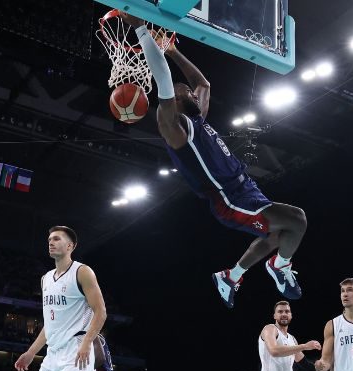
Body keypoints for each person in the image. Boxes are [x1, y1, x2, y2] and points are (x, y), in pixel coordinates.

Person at [119, 12, 308, 308]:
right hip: (228, 197)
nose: (193, 92)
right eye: (185, 92)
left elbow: (204, 84)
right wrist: (142, 30)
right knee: (297, 219)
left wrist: (172, 50)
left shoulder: (199, 120)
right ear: (177, 101)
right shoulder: (175, 129)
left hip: (245, 188)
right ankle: (279, 267)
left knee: (278, 235)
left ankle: (230, 277)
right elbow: (165, 83)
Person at [14, 226, 107, 371]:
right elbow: (50, 325)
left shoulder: (82, 272)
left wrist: (86, 344)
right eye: (49, 239)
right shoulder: (46, 279)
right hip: (53, 353)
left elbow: (101, 311)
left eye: (56, 239)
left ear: (70, 246)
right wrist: (31, 352)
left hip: (76, 350)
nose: (51, 242)